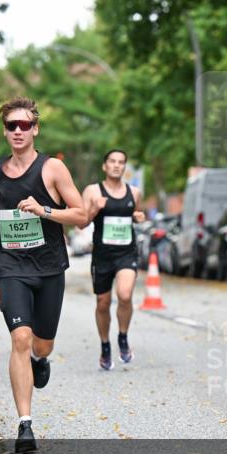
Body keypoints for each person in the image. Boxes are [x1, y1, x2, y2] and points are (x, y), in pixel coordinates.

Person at [0, 96, 87, 454]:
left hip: (49, 268)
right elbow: (0, 205)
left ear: (35, 129)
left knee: (40, 344)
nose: (18, 131)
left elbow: (81, 215)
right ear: (5, 131)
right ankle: (25, 425)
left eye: (25, 125)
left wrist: (44, 210)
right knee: (20, 338)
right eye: (12, 126)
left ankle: (41, 360)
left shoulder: (52, 168)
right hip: (11, 266)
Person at [80, 150, 145, 370]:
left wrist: (138, 217)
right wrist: (94, 208)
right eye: (112, 161)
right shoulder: (92, 191)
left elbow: (137, 213)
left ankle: (123, 337)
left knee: (125, 295)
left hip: (126, 252)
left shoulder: (134, 192)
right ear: (104, 166)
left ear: (124, 167)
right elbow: (81, 222)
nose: (117, 165)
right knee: (103, 302)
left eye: (121, 162)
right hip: (102, 255)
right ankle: (105, 345)